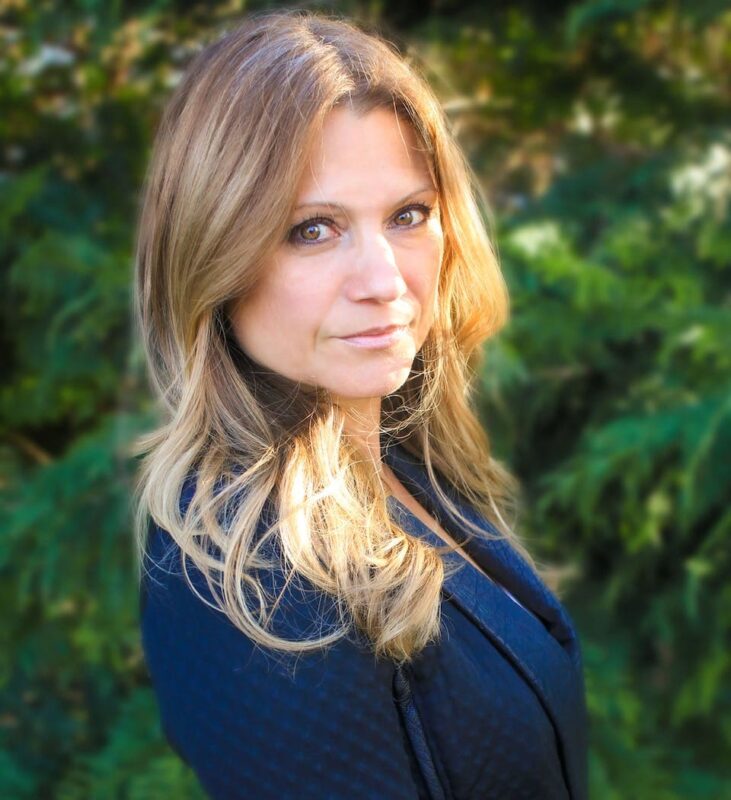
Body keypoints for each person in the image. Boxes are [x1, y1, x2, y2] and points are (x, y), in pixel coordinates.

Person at [132, 9, 588, 800]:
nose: (383, 278)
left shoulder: (404, 464)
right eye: (313, 229)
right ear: (216, 255)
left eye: (407, 216)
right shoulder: (246, 577)